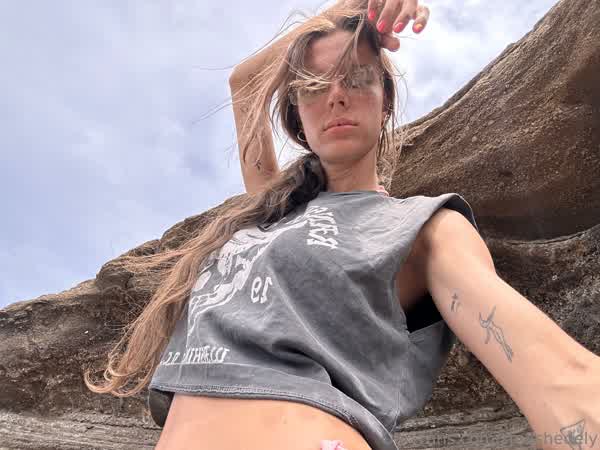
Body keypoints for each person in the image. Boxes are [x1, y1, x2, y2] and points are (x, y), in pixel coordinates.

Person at [84, 1, 600, 449]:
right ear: (297, 115)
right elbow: (244, 84)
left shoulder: (422, 227)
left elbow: (561, 381)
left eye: (357, 77)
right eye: (312, 85)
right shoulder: (271, 210)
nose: (335, 95)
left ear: (384, 101)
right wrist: (356, 6)